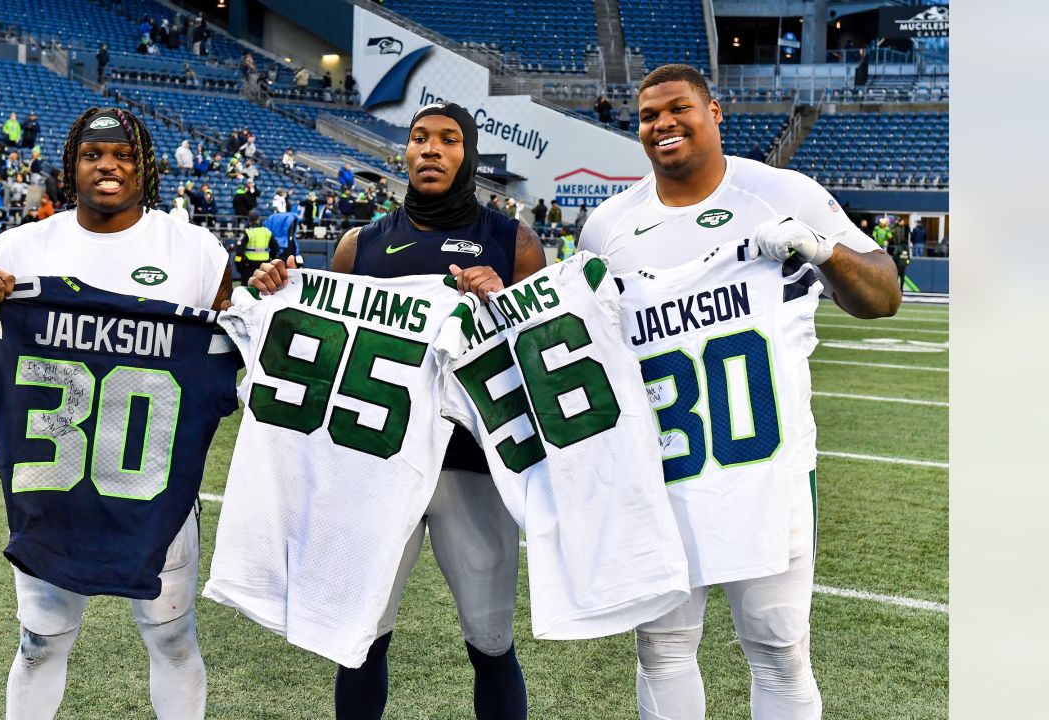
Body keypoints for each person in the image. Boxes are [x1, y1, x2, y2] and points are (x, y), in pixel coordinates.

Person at [579, 63, 900, 720]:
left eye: (678, 109)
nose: (663, 125)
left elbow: (884, 295)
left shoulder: (781, 193)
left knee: (780, 649)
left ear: (715, 112)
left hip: (768, 470)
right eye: (648, 116)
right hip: (663, 472)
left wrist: (821, 250)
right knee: (661, 648)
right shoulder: (608, 226)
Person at [0, 106, 233, 720]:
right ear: (72, 166)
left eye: (122, 154)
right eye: (93, 155)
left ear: (144, 166)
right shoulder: (22, 246)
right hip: (54, 484)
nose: (108, 166)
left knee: (172, 638)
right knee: (38, 644)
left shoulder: (194, 250)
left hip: (152, 485)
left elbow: (234, 345)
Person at [248, 100, 546, 720]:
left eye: (447, 139)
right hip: (376, 465)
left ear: (469, 154)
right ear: (403, 152)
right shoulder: (360, 245)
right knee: (359, 639)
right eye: (418, 138)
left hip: (470, 467)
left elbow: (536, 359)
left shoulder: (513, 242)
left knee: (491, 643)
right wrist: (276, 297)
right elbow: (328, 352)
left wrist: (506, 303)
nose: (430, 150)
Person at [234, 210, 275, 285]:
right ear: (258, 219)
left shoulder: (248, 232)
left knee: (247, 288)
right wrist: (270, 258)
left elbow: (239, 251)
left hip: (249, 265)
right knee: (264, 286)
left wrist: (238, 263)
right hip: (264, 264)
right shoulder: (267, 232)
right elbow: (276, 248)